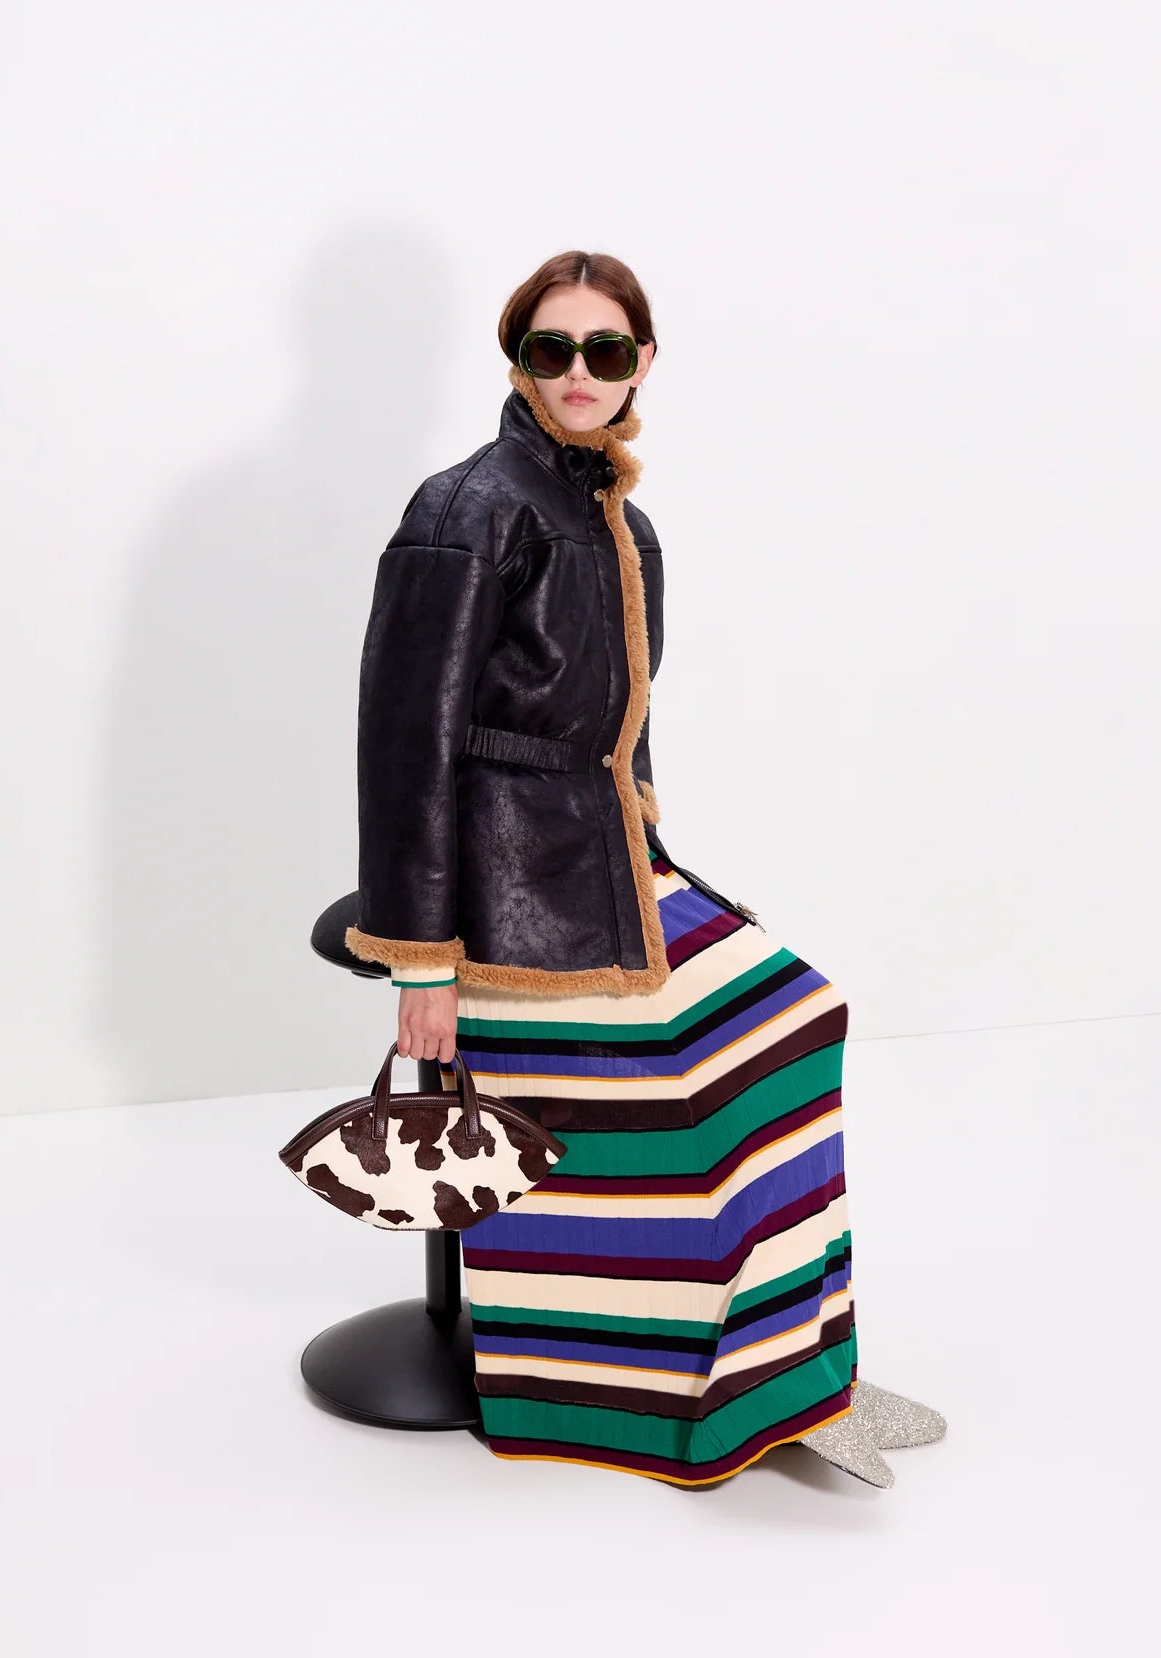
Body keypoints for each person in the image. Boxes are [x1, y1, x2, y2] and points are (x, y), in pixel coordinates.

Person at [345, 249, 947, 1489]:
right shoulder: (468, 507)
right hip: (495, 893)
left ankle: (795, 1370)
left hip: (606, 862)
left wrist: (665, 868)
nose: (580, 373)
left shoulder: (616, 514)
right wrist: (422, 960)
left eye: (605, 350)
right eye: (553, 349)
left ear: (642, 363)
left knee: (795, 1014)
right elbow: (405, 741)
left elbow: (628, 724)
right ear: (519, 361)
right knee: (689, 1088)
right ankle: (681, 1397)